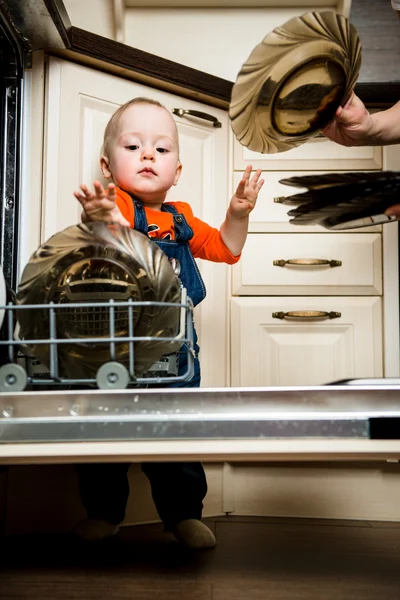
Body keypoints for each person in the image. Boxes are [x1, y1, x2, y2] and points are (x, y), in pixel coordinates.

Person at [72, 97, 264, 549]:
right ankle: (103, 513)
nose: (147, 155)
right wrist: (102, 219)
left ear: (176, 170)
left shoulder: (180, 218)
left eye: (161, 149)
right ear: (106, 164)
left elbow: (227, 249)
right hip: (113, 345)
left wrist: (239, 213)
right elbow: (108, 230)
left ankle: (182, 516)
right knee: (105, 431)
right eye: (133, 145)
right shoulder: (111, 203)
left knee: (174, 430)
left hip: (174, 348)